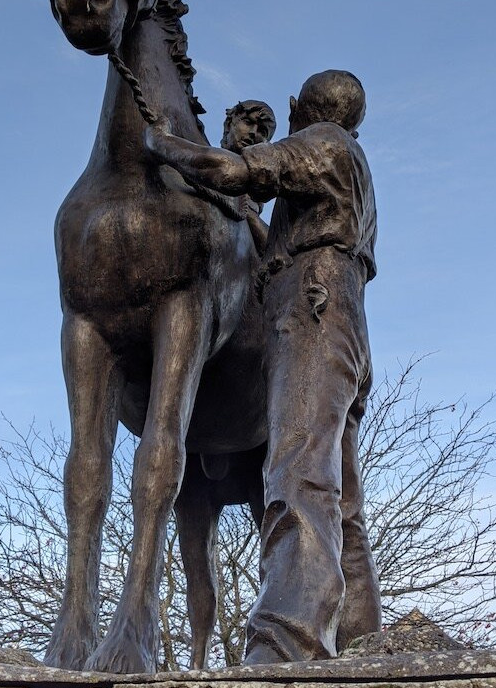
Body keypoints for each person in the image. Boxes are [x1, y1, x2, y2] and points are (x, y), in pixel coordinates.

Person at [145, 70, 382, 663]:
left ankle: (285, 642)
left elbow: (237, 172)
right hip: (345, 318)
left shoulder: (323, 143)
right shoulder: (351, 160)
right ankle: (361, 638)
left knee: (298, 475)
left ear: (300, 108)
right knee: (341, 496)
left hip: (312, 310)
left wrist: (162, 143)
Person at [220, 99, 276, 256]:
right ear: (228, 125)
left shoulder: (258, 194)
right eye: (247, 122)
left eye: (262, 132)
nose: (253, 133)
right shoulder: (200, 165)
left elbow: (272, 251)